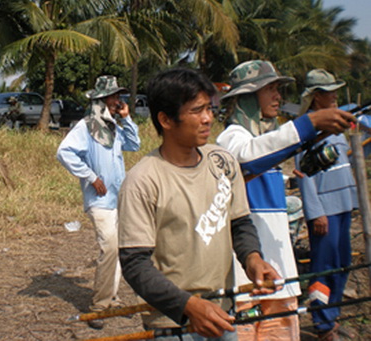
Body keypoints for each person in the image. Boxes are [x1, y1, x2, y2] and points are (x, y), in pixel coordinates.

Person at [118, 68, 280, 341]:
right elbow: (135, 264)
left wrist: (252, 257)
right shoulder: (142, 181)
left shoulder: (223, 161)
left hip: (222, 313)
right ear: (166, 120)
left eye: (209, 108)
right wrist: (188, 306)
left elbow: (239, 223)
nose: (208, 119)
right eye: (197, 110)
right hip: (174, 321)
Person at [216, 60, 355, 341]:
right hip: (245, 281)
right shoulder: (231, 138)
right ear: (247, 97)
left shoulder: (268, 141)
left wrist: (311, 142)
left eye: (278, 89)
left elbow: (269, 155)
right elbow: (249, 159)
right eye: (270, 89)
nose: (278, 96)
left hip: (280, 276)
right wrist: (310, 124)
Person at [56, 75, 141, 329]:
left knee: (117, 248)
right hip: (100, 200)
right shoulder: (86, 127)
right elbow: (64, 152)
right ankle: (99, 306)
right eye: (114, 97)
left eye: (118, 97)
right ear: (101, 100)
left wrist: (126, 118)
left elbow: (134, 145)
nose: (118, 101)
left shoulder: (112, 126)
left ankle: (111, 297)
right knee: (110, 248)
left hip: (117, 198)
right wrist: (91, 177)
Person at [295, 69, 358, 341]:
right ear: (316, 98)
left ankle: (333, 315)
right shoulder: (305, 129)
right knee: (324, 265)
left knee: (343, 262)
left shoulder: (336, 126)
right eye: (329, 92)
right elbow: (303, 174)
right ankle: (322, 323)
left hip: (343, 204)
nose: (334, 97)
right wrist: (315, 211)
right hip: (324, 209)